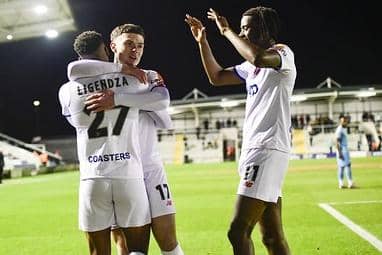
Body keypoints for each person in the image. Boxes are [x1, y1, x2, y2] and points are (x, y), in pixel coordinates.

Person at [186, 6, 296, 255]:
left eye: (248, 27)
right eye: (242, 28)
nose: (243, 32)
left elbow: (257, 57)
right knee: (272, 237)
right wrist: (202, 42)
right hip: (253, 150)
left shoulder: (282, 54)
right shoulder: (251, 69)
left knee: (237, 231)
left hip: (267, 149)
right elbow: (216, 76)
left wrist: (226, 30)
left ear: (265, 29)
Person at [68, 25, 184, 255]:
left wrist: (120, 100)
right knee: (123, 242)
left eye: (140, 45)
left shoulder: (146, 76)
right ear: (112, 46)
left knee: (167, 238)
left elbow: (163, 107)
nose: (135, 50)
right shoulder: (123, 79)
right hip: (122, 169)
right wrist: (137, 97)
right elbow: (75, 68)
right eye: (129, 44)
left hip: (149, 168)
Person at [335, 114, 355, 189]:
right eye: (344, 121)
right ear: (341, 121)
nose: (346, 123)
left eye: (346, 121)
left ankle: (341, 184)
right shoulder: (340, 130)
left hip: (341, 150)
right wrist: (340, 153)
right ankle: (350, 183)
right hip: (342, 150)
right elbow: (337, 142)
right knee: (348, 165)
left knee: (341, 167)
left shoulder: (342, 129)